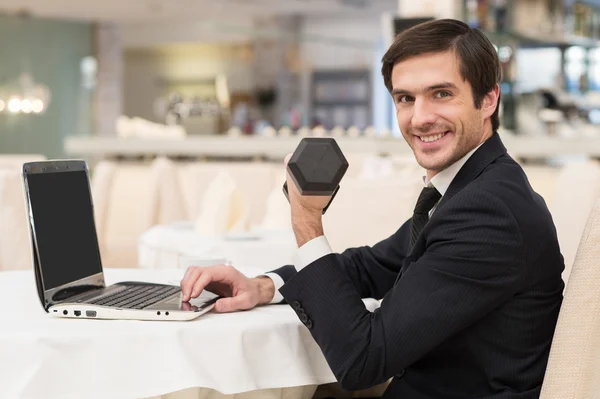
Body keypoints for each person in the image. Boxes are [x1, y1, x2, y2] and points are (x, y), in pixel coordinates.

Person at [180, 19, 564, 398]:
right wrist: (262, 286)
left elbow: (362, 359)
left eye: (442, 94)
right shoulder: (472, 187)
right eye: (405, 98)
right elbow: (374, 265)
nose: (420, 117)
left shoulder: (488, 211)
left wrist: (306, 220)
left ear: (489, 99)